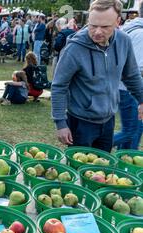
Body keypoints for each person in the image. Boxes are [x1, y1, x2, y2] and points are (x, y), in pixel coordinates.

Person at [51, 0, 143, 152]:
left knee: (102, 168)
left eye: (105, 27)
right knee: (79, 170)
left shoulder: (124, 41)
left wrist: (141, 99)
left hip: (108, 121)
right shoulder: (74, 48)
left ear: (118, 21)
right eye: (93, 25)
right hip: (80, 122)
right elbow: (59, 86)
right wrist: (60, 123)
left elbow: (131, 75)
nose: (98, 32)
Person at [113, 1, 143, 150]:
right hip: (130, 90)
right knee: (131, 132)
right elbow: (135, 69)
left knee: (133, 131)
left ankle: (123, 163)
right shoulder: (141, 33)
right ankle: (94, 146)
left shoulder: (131, 28)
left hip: (124, 88)